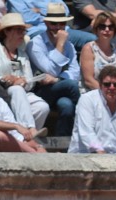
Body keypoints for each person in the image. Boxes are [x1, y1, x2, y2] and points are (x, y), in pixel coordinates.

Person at [0, 12, 49, 137]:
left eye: (23, 31)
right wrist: (5, 79)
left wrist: (23, 81)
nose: (22, 34)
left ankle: (23, 138)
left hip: (20, 94)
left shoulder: (22, 54)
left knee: (42, 107)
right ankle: (30, 130)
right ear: (7, 32)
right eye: (18, 30)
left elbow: (30, 80)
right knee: (16, 90)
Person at [26, 5, 82, 136]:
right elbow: (51, 69)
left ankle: (63, 140)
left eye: (62, 23)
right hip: (40, 90)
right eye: (54, 23)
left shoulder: (69, 45)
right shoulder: (35, 44)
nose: (58, 27)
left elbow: (75, 72)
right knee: (71, 85)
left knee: (66, 105)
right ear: (46, 23)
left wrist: (58, 79)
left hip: (60, 88)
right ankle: (85, 123)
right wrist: (60, 44)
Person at [68, 65, 116, 152]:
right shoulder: (87, 100)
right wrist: (101, 152)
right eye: (107, 84)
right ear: (100, 85)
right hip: (85, 156)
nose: (112, 87)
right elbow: (87, 133)